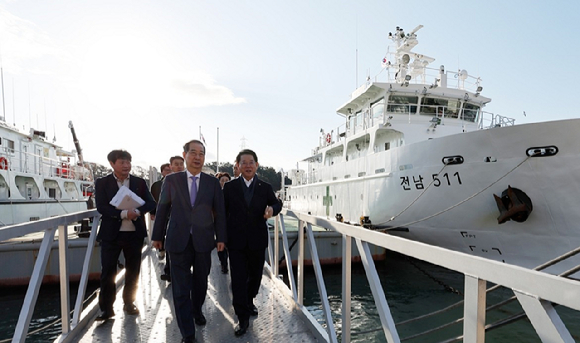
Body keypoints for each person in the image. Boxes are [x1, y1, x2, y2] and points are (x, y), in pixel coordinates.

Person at [151, 140, 226, 343]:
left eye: (201, 153)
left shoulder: (212, 183)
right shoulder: (172, 180)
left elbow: (219, 212)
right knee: (180, 288)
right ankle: (188, 333)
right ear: (184, 155)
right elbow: (162, 209)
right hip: (177, 240)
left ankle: (197, 309)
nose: (197, 157)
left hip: (203, 240)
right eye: (193, 152)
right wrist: (157, 236)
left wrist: (221, 238)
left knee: (201, 281)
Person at [223, 149, 281, 337]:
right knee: (238, 278)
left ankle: (249, 300)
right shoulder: (230, 188)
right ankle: (242, 317)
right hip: (236, 241)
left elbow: (277, 204)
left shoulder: (265, 187)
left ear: (257, 165)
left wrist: (272, 208)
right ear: (238, 166)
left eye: (251, 162)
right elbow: (222, 213)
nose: (247, 165)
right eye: (244, 162)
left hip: (257, 239)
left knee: (255, 277)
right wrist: (221, 238)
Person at [94, 149, 156, 321]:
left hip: (134, 234)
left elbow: (151, 203)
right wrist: (122, 214)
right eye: (122, 162)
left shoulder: (139, 182)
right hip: (110, 235)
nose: (126, 166)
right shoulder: (102, 183)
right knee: (107, 272)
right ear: (112, 164)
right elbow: (101, 207)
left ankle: (129, 303)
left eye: (128, 162)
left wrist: (137, 210)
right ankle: (106, 309)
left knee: (133, 270)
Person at [158, 155, 186, 282]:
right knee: (171, 247)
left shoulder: (190, 180)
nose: (179, 166)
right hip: (170, 221)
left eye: (181, 163)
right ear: (171, 166)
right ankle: (169, 271)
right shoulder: (167, 181)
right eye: (176, 164)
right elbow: (161, 203)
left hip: (186, 223)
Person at [150, 163, 171, 262]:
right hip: (161, 214)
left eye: (170, 170)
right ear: (162, 172)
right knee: (161, 231)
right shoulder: (156, 185)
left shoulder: (179, 183)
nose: (169, 172)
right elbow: (153, 200)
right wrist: (152, 212)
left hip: (173, 214)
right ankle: (161, 250)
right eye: (166, 170)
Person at [215, 171, 231, 274]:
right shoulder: (215, 193)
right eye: (222, 180)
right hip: (218, 223)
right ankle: (223, 264)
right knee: (220, 243)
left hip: (230, 223)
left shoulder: (233, 193)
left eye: (227, 180)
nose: (224, 182)